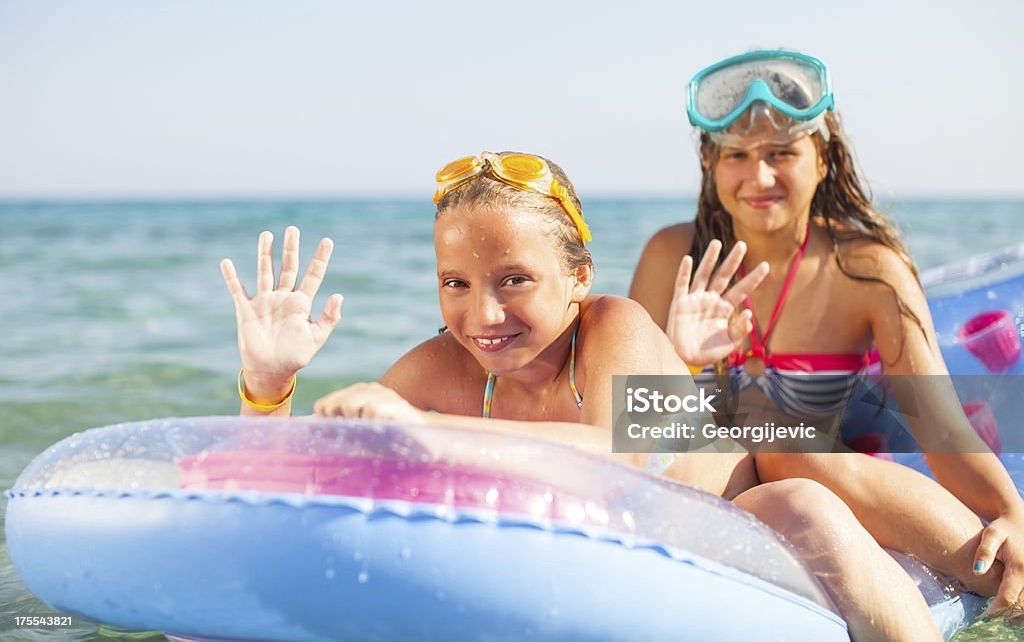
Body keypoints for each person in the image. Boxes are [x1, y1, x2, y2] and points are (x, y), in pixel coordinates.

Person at [222, 150, 944, 640]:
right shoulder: (442, 369)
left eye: (514, 278)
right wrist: (268, 388)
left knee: (804, 492)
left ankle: (992, 560)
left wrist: (428, 433)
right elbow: (301, 479)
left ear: (577, 278)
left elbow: (620, 458)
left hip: (738, 504)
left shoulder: (613, 326)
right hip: (642, 540)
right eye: (456, 283)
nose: (483, 314)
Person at [629, 48, 1024, 621]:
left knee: (783, 444)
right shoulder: (673, 257)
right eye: (736, 155)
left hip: (822, 479)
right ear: (711, 166)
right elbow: (630, 421)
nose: (758, 176)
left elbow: (939, 422)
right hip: (714, 486)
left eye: (781, 153)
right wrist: (681, 360)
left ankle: (1003, 583)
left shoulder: (866, 269)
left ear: (822, 158)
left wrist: (1010, 511)